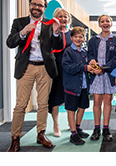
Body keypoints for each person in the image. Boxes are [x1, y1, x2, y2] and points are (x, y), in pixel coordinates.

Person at [6, 0, 63, 152]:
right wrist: (23, 32)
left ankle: (41, 133)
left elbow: (56, 47)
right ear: (30, 5)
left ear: (45, 8)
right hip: (26, 67)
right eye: (34, 4)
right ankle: (15, 137)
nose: (37, 7)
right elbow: (10, 42)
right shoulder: (19, 22)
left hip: (45, 67)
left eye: (40, 5)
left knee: (43, 104)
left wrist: (57, 32)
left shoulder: (48, 24)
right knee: (20, 105)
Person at [88, 14, 116, 142]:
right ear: (99, 24)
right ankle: (96, 128)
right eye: (102, 21)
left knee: (107, 102)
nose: (105, 23)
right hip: (96, 76)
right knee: (97, 102)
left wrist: (103, 68)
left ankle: (106, 129)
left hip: (108, 75)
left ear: (111, 23)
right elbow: (89, 53)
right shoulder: (93, 40)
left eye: (107, 21)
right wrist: (91, 60)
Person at [62, 26, 92, 145]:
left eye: (81, 36)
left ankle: (78, 128)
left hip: (84, 86)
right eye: (76, 37)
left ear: (84, 38)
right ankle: (73, 133)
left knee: (82, 107)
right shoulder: (68, 51)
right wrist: (84, 67)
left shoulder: (85, 52)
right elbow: (67, 67)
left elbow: (88, 66)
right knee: (71, 110)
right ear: (71, 38)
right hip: (72, 86)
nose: (78, 39)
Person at [48, 7, 72, 137]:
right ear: (56, 18)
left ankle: (71, 123)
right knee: (55, 97)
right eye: (60, 16)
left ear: (69, 19)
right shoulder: (50, 32)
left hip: (69, 70)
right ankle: (55, 123)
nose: (63, 19)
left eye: (65, 16)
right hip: (55, 68)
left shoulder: (72, 33)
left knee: (70, 96)